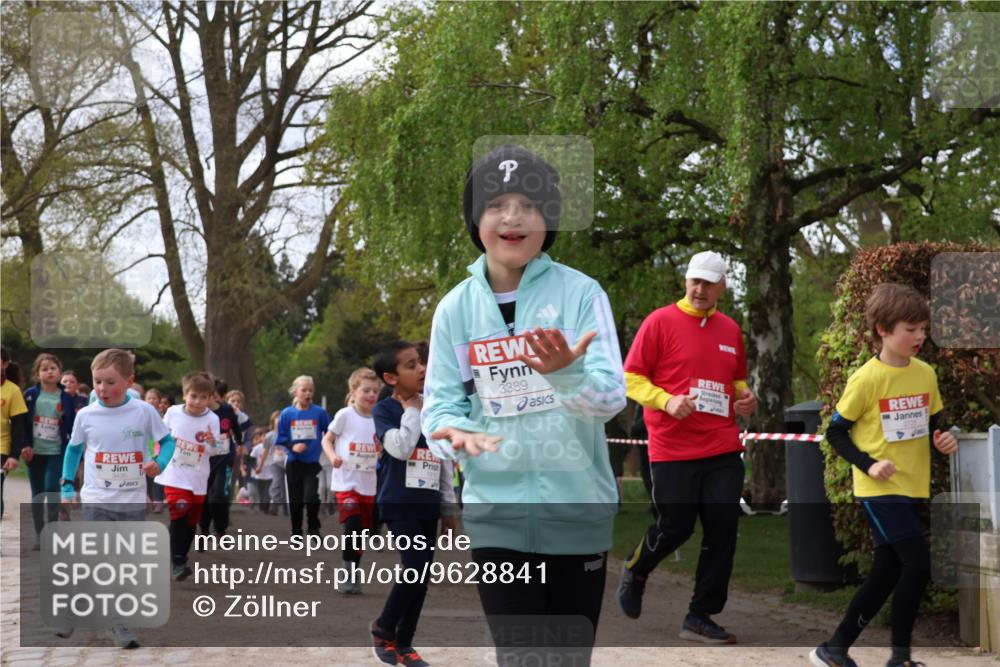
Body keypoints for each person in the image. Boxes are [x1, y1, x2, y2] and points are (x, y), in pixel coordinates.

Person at [422, 144, 626, 667]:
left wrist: (568, 374)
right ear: (476, 219)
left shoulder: (583, 294)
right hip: (498, 517)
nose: (513, 217)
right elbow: (439, 408)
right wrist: (454, 436)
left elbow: (610, 399)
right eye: (497, 205)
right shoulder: (454, 309)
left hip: (577, 514)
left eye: (530, 206)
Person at [810, 283, 958, 667]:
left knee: (887, 570)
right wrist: (869, 464)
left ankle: (835, 649)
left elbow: (934, 423)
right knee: (918, 565)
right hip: (879, 488)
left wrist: (941, 440)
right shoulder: (866, 379)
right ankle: (900, 659)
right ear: (883, 330)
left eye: (923, 328)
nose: (920, 336)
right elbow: (836, 432)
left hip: (914, 484)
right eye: (911, 329)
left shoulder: (926, 374)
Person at [617, 250, 757, 645]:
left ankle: (700, 615)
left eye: (708, 283)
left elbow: (737, 381)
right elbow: (630, 378)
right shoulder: (659, 322)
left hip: (722, 446)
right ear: (686, 281)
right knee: (675, 527)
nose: (700, 289)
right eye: (695, 280)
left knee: (723, 530)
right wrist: (666, 400)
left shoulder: (730, 329)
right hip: (672, 447)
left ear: (722, 287)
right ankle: (638, 567)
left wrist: (747, 399)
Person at [60, 349, 175, 648]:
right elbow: (73, 450)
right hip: (97, 498)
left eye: (110, 382)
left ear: (129, 381)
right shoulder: (86, 415)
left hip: (132, 501)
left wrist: (159, 464)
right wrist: (67, 484)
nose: (101, 389)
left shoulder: (144, 411)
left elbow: (167, 441)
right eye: (97, 382)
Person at [371, 342, 457, 667]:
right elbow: (401, 448)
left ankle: (404, 644)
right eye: (411, 365)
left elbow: (443, 458)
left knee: (422, 574)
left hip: (428, 504)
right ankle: (383, 627)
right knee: (415, 567)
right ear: (391, 377)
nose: (421, 369)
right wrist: (412, 410)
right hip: (399, 502)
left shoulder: (435, 408)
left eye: (420, 362)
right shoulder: (385, 411)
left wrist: (448, 509)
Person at [153, 372, 221, 580]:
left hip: (198, 477)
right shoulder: (173, 413)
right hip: (175, 474)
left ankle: (180, 553)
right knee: (179, 508)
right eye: (193, 396)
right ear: (184, 395)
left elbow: (216, 449)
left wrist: (211, 441)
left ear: (210, 398)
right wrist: (157, 456)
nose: (197, 401)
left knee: (191, 519)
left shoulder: (212, 419)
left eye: (203, 397)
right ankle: (178, 562)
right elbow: (161, 437)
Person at [321, 367, 381, 595]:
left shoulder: (379, 418)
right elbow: (327, 440)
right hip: (346, 482)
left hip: (368, 483)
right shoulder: (345, 415)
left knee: (363, 532)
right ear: (353, 391)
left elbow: (380, 445)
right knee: (353, 525)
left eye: (375, 391)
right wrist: (333, 456)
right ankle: (346, 574)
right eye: (366, 390)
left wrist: (380, 452)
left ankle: (353, 570)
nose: (371, 395)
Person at [22, 353, 77, 547]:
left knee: (52, 489)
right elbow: (20, 423)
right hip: (34, 452)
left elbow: (72, 425)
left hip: (56, 451)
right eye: (44, 369)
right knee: (37, 494)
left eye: (53, 368)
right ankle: (39, 535)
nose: (49, 372)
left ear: (59, 371)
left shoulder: (67, 397)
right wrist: (24, 445)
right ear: (37, 374)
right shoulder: (30, 395)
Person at [275, 376, 329, 536]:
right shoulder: (286, 414)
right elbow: (281, 439)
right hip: (294, 462)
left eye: (310, 390)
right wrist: (293, 446)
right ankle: (296, 532)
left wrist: (329, 446)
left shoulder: (319, 413)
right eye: (304, 390)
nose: (308, 393)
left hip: (312, 463)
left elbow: (331, 432)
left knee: (311, 497)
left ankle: (313, 527)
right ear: (295, 392)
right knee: (296, 500)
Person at [199, 378, 241, 539]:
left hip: (224, 459)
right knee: (204, 497)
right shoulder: (200, 414)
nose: (208, 399)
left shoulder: (227, 410)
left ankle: (220, 528)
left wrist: (240, 443)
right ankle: (203, 528)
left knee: (218, 496)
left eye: (211, 395)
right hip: (204, 461)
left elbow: (236, 428)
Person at [1, 347, 29, 518]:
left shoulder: (13, 391)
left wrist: (13, 455)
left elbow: (19, 427)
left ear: (5, 363)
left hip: (1, 448)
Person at [264, 411, 288, 516]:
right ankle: (274, 503)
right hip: (274, 462)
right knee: (277, 481)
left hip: (287, 462)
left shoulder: (288, 434)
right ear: (273, 421)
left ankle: (286, 507)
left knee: (285, 484)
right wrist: (260, 465)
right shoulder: (269, 436)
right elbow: (265, 451)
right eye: (277, 419)